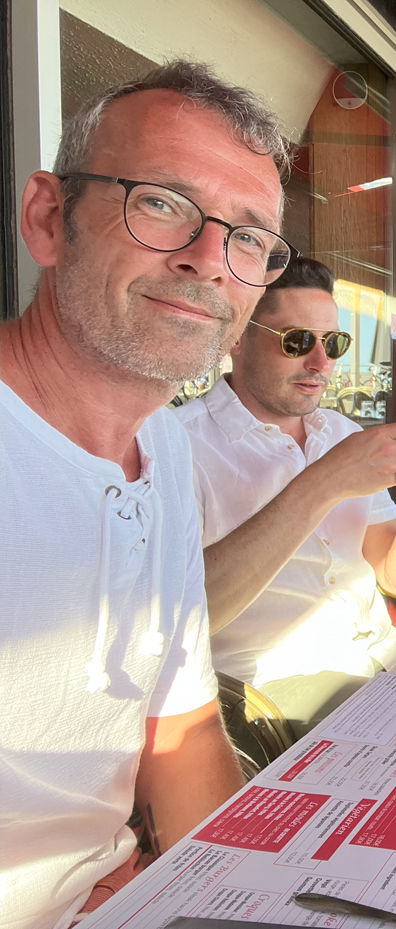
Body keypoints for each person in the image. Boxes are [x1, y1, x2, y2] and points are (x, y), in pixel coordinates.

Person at [1, 61, 286, 929]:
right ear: (48, 219)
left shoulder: (162, 443)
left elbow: (181, 731)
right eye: (162, 202)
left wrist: (224, 897)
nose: (208, 260)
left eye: (248, 238)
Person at [174, 257, 396, 736]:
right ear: (236, 337)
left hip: (386, 659)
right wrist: (326, 481)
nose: (321, 363)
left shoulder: (343, 434)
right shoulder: (179, 446)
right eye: (298, 340)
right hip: (275, 698)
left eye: (334, 343)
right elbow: (185, 618)